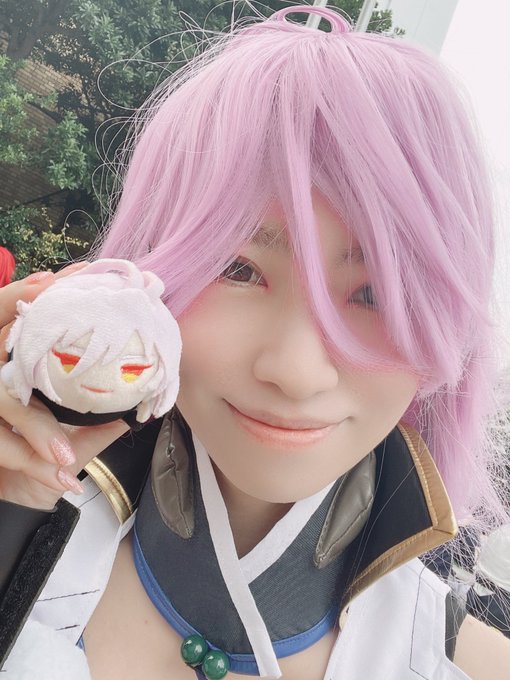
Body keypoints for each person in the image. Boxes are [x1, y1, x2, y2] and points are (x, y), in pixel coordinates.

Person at [0, 5, 509, 679]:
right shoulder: (20, 518)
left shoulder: (467, 664)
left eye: (376, 293)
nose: (296, 371)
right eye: (237, 268)